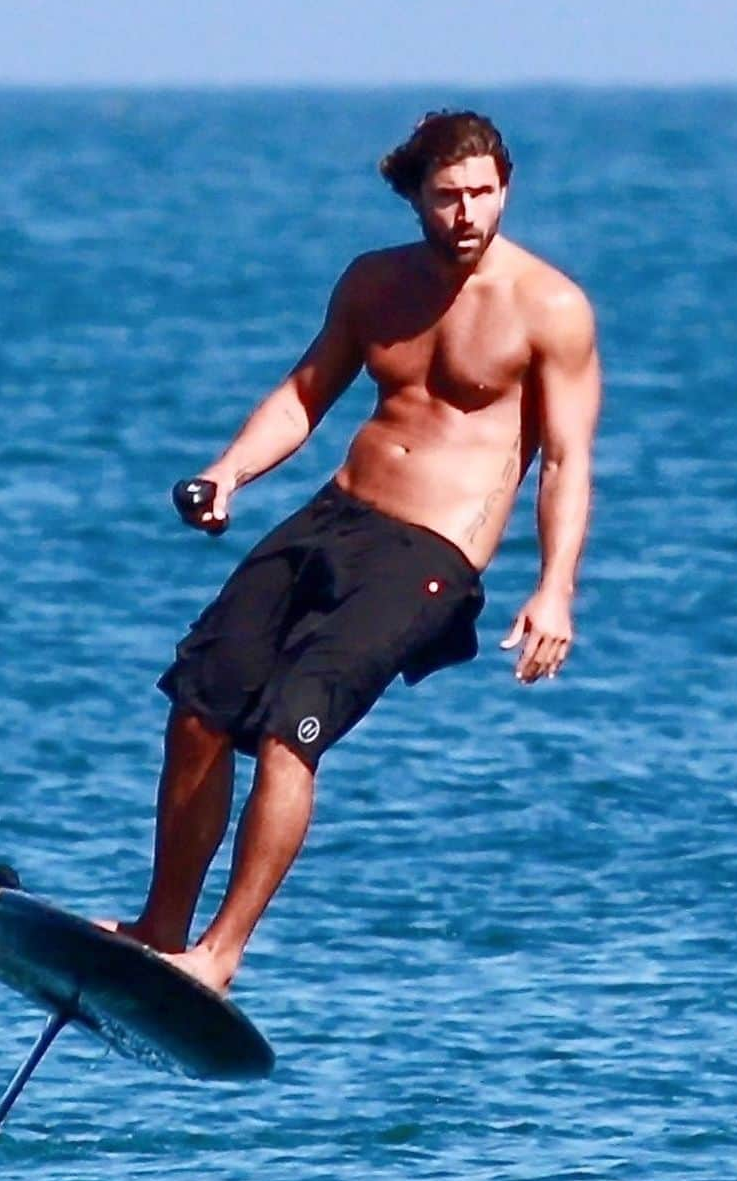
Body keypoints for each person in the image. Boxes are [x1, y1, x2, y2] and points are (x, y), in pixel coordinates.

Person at [98, 110, 601, 994]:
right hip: (332, 517)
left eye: (484, 194)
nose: (467, 214)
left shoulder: (550, 310)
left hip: (430, 554)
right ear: (413, 197)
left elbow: (564, 459)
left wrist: (554, 588)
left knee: (293, 729)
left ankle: (218, 955)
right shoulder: (374, 284)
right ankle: (160, 924)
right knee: (199, 708)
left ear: (505, 191)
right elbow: (306, 392)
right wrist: (229, 474)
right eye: (447, 197)